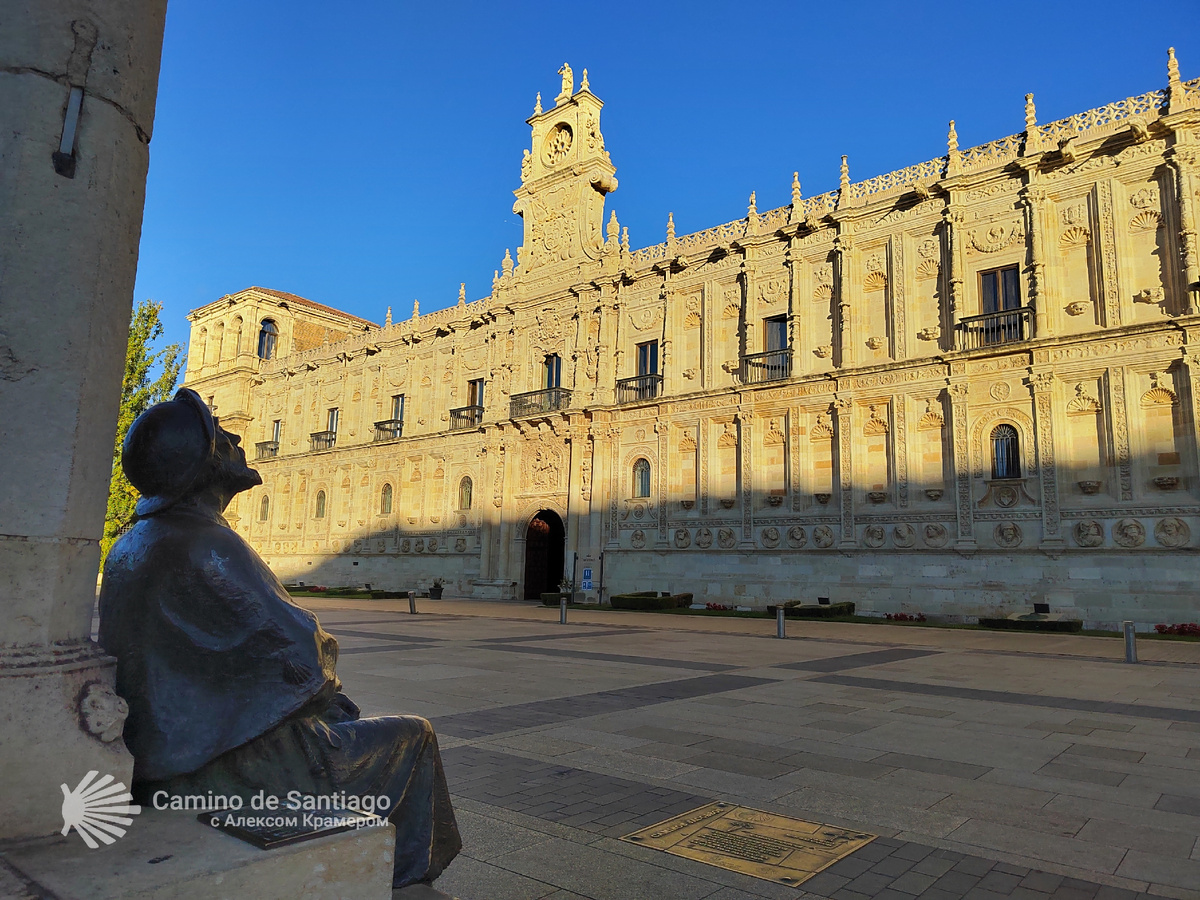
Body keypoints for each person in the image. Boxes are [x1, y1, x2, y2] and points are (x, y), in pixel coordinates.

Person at [99, 389, 460, 888]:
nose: (235, 435)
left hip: (165, 756)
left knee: (343, 716)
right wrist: (322, 671)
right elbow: (303, 655)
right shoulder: (209, 542)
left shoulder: (130, 545)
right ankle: (396, 883)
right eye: (219, 433)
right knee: (414, 735)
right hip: (235, 765)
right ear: (200, 461)